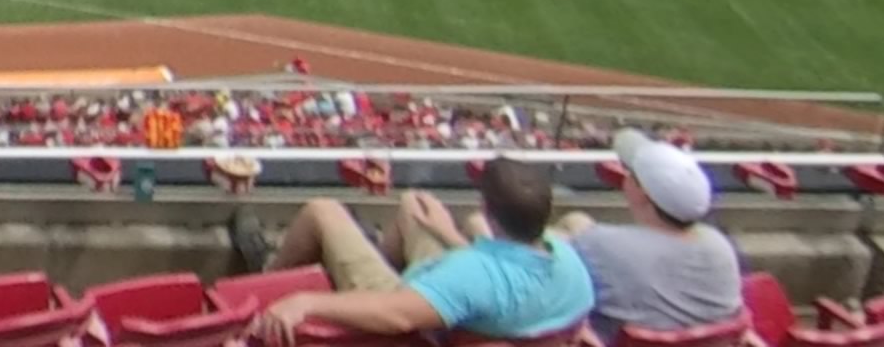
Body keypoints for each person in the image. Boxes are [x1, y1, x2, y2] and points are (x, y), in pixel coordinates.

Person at [234, 157, 592, 345]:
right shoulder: (571, 263)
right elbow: (500, 273)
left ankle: (265, 272)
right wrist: (448, 234)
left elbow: (398, 316)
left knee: (322, 211)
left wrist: (306, 302)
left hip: (409, 311)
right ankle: (378, 256)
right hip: (470, 299)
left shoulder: (471, 276)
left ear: (487, 209)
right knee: (413, 204)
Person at [566, 131, 742, 342]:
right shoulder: (720, 247)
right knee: (577, 222)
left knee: (574, 222)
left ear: (641, 193)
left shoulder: (599, 245)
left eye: (631, 173)